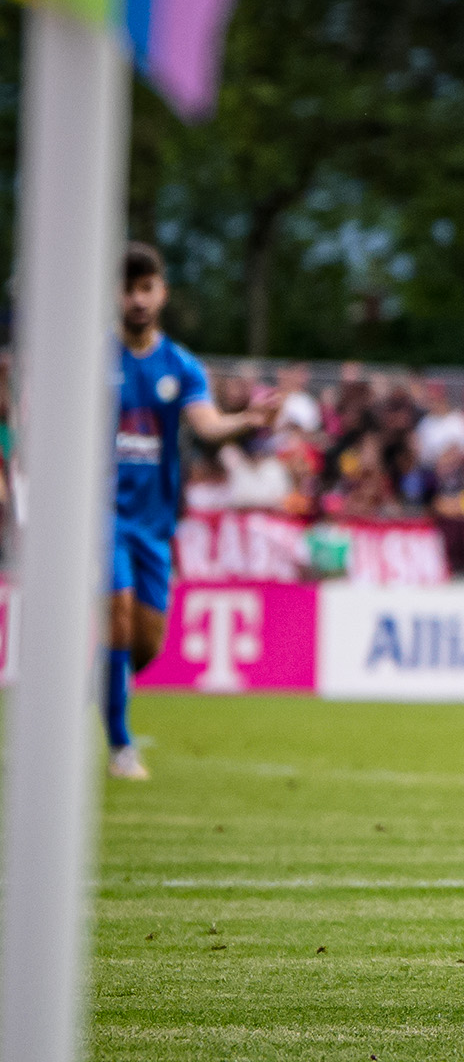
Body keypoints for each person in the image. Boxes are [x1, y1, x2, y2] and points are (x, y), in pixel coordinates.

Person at [107, 243, 279, 779]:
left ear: (162, 292)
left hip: (154, 521)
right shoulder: (91, 356)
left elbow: (205, 424)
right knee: (117, 610)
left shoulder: (179, 365)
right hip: (100, 513)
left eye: (145, 287)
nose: (136, 299)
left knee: (147, 644)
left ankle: (98, 682)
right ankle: (121, 747)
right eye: (127, 288)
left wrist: (246, 420)